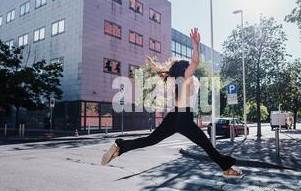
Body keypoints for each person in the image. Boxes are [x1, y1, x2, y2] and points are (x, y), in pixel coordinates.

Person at [101, 28, 242, 177]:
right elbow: (195, 61)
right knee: (206, 145)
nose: (190, 68)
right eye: (188, 67)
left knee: (151, 140)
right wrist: (195, 45)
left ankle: (121, 147)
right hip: (184, 118)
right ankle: (227, 168)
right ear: (184, 69)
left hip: (173, 116)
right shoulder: (186, 77)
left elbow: (160, 71)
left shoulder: (174, 80)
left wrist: (152, 63)